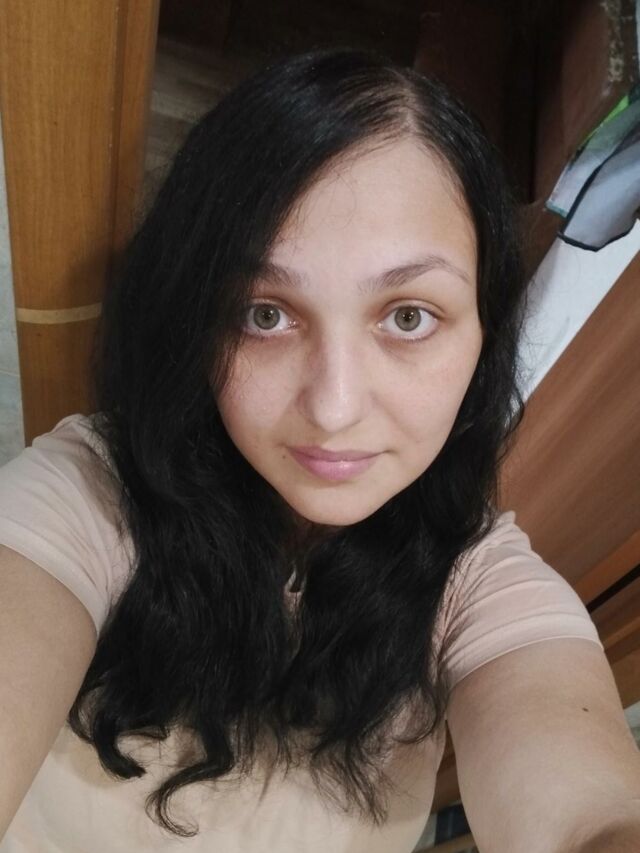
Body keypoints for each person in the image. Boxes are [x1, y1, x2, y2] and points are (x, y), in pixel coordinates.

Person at [0, 47, 638, 853]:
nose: (334, 408)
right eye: (264, 313)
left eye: (408, 316)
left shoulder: (476, 584)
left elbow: (587, 815)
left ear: (484, 332)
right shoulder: (91, 490)